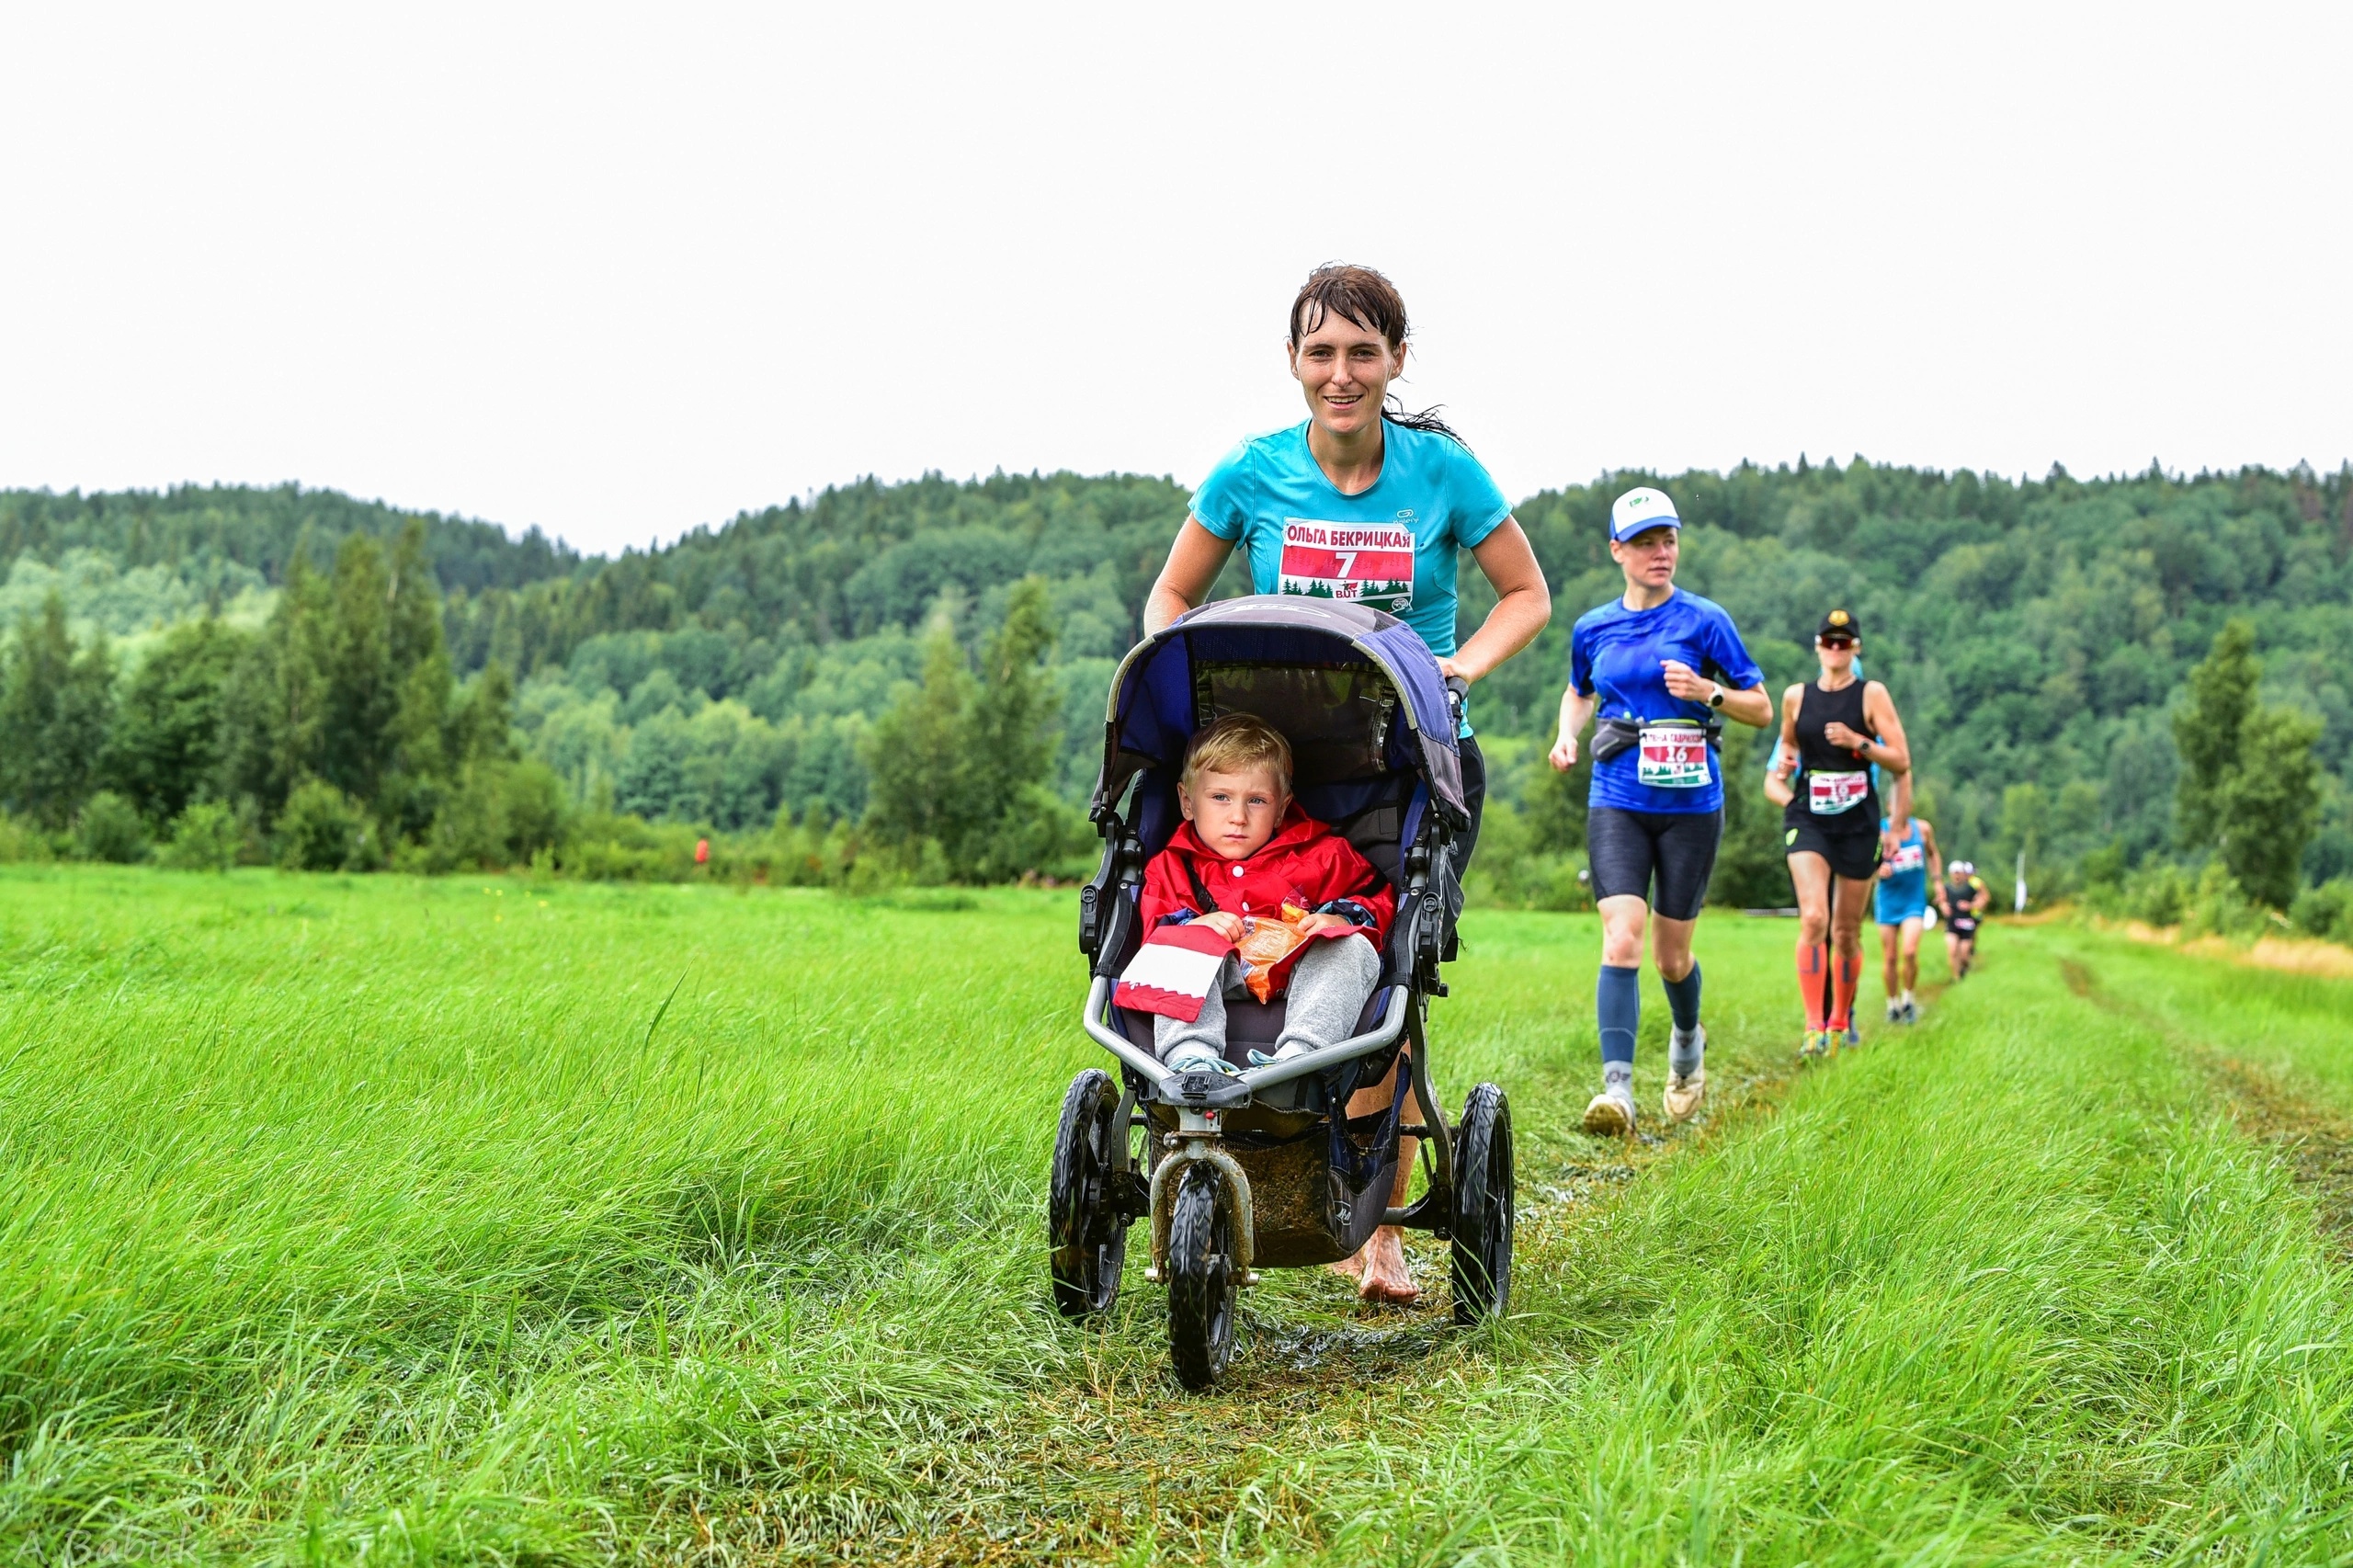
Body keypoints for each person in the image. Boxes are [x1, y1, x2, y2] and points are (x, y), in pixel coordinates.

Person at [1142, 262, 1551, 1300]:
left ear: (1395, 361)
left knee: (1392, 972)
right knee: (1220, 940)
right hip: (1278, 763)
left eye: (1362, 351)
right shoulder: (1253, 470)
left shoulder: (1443, 473)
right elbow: (1172, 596)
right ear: (1293, 362)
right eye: (1320, 351)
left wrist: (1465, 666)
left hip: (1410, 754)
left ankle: (1378, 1228)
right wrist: (1184, 708)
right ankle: (1225, 1160)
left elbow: (1525, 594)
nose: (1341, 372)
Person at [1552, 486, 1773, 1135]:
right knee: (1622, 938)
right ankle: (1616, 1091)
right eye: (1646, 541)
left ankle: (1686, 1041)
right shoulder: (1593, 626)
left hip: (1691, 807)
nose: (1661, 552)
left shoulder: (1706, 621)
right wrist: (1567, 735)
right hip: (1617, 797)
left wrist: (1710, 692)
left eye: (1668, 539)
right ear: (1617, 550)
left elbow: (1760, 708)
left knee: (1673, 958)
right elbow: (1577, 691)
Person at [1766, 609, 1913, 1061]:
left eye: (1844, 642)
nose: (1835, 648)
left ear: (1856, 648)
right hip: (1810, 820)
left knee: (1846, 932)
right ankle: (1813, 1028)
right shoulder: (1796, 697)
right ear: (1816, 645)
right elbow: (1784, 755)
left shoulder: (1872, 695)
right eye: (1828, 641)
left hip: (1858, 824)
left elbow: (1901, 761)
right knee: (1814, 919)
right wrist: (1788, 776)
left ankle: (1839, 1021)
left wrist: (1858, 742)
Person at [1874, 811, 1943, 1022]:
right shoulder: (1879, 830)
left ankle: (1908, 1000)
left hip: (1913, 901)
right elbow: (1865, 858)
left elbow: (1933, 854)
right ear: (1888, 806)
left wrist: (1938, 882)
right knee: (1890, 957)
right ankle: (1892, 1004)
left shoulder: (1922, 829)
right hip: (1887, 901)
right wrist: (1877, 869)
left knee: (1910, 952)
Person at [1939, 858, 1990, 978]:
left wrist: (1971, 905)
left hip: (1967, 923)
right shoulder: (1946, 888)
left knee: (1964, 954)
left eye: (1959, 873)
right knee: (1952, 951)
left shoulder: (1972, 887)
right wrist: (1944, 906)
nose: (1957, 876)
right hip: (1951, 923)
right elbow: (1941, 900)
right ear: (1950, 874)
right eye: (1954, 873)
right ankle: (1956, 978)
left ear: (1963, 874)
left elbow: (1984, 898)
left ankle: (1964, 968)